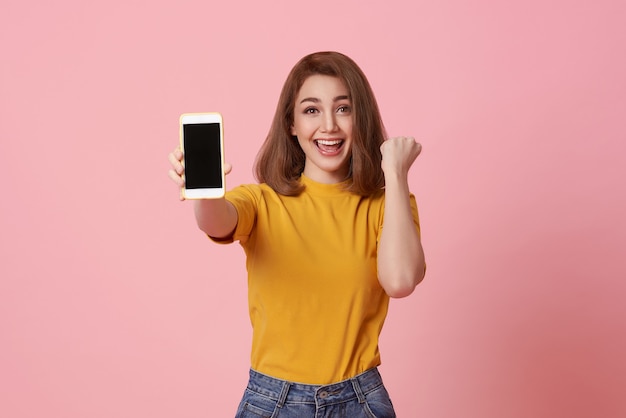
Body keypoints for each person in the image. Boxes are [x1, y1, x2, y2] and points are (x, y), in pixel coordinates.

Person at [168, 51, 425, 418]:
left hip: (360, 400)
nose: (329, 126)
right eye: (311, 110)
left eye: (343, 108)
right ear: (291, 123)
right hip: (274, 402)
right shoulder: (262, 200)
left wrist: (396, 174)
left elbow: (399, 280)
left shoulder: (388, 205)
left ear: (360, 118)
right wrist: (206, 192)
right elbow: (216, 222)